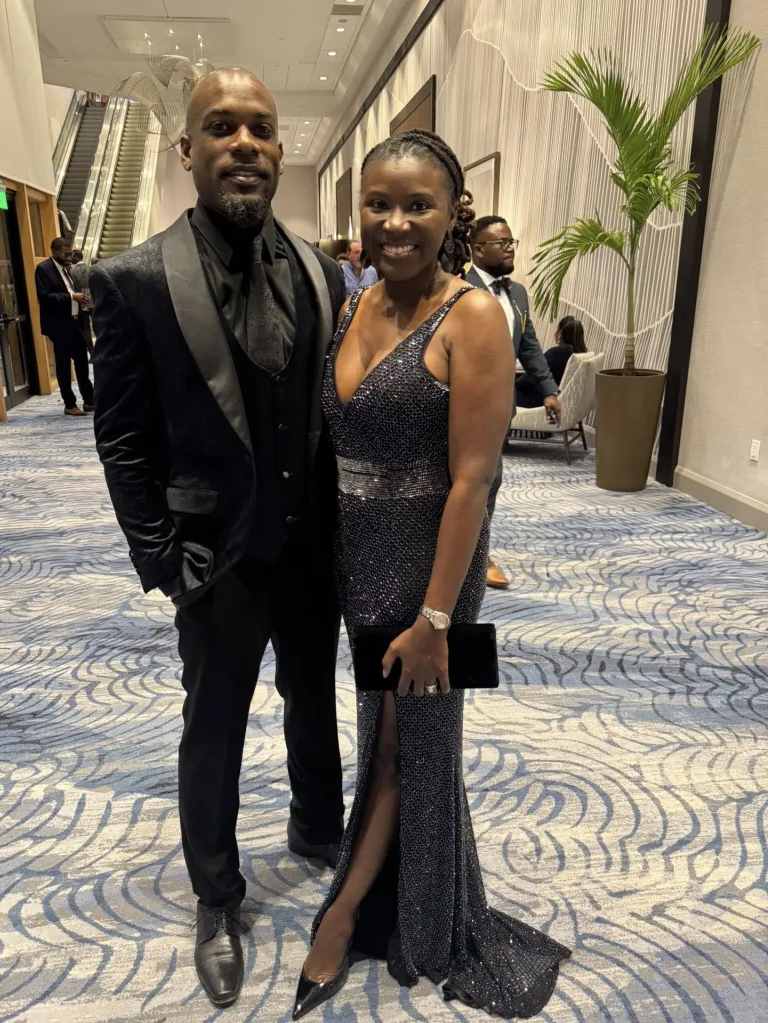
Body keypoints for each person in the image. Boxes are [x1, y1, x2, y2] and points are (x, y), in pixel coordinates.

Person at [294, 129, 570, 1021]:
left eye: (418, 204)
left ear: (452, 213)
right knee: (390, 735)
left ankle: (346, 918)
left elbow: (472, 481)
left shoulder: (475, 315)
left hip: (432, 572)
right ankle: (410, 898)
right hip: (360, 560)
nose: (396, 221)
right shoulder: (353, 305)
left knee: (403, 743)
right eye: (379, 203)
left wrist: (438, 618)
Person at [90, 68, 345, 1009]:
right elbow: (121, 436)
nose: (244, 143)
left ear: (279, 150)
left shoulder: (322, 271)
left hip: (311, 548)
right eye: (222, 127)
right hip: (214, 559)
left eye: (261, 129)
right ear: (187, 149)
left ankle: (319, 830)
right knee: (215, 726)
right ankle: (217, 894)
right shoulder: (131, 279)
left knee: (314, 701)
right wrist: (163, 559)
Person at [466, 216, 562, 589]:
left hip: (500, 406)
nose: (510, 249)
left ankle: (474, 553)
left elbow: (529, 346)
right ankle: (468, 555)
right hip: (461, 406)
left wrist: (549, 390)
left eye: (511, 242)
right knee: (471, 481)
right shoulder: (458, 287)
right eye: (502, 243)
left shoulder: (517, 293)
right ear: (478, 249)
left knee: (489, 481)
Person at [35, 237, 93, 416]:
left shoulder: (67, 269)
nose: (69, 258)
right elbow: (44, 297)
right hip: (59, 325)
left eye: (70, 253)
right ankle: (69, 404)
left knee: (82, 363)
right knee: (63, 366)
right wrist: (71, 297)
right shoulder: (43, 269)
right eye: (65, 254)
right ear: (54, 251)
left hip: (75, 322)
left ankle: (90, 401)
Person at [515, 315, 586, 407]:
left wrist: (514, 382)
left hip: (538, 399)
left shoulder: (557, 353)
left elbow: (535, 374)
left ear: (560, 334)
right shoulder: (581, 355)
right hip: (555, 399)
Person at [69, 249, 94, 361]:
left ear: (76, 257)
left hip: (82, 301)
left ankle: (92, 354)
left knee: (86, 329)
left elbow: (73, 289)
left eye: (72, 256)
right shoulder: (91, 269)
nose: (71, 258)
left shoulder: (73, 272)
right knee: (99, 327)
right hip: (94, 300)